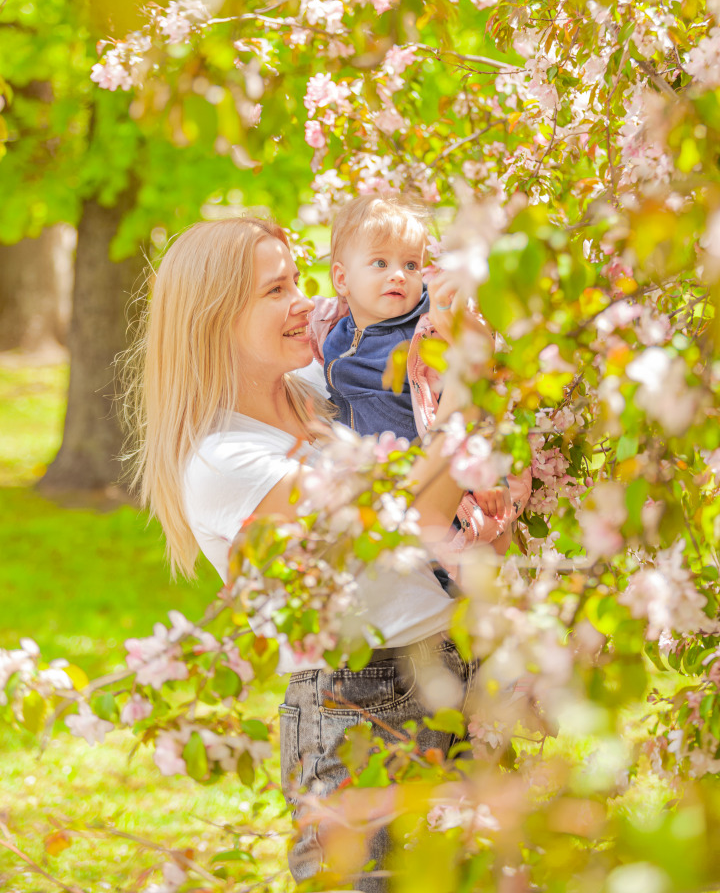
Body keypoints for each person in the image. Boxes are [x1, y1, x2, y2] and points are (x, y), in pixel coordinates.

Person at [125, 216, 494, 893]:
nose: (303, 299)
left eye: (297, 279)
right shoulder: (224, 459)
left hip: (448, 667)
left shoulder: (326, 397)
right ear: (214, 319)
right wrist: (472, 386)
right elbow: (416, 514)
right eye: (275, 290)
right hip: (358, 703)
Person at [308, 194, 530, 566]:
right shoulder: (332, 330)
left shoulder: (428, 335)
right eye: (380, 263)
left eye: (411, 265)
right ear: (342, 279)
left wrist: (487, 470)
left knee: (451, 577)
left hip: (441, 491)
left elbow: (478, 397)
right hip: (384, 493)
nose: (399, 274)